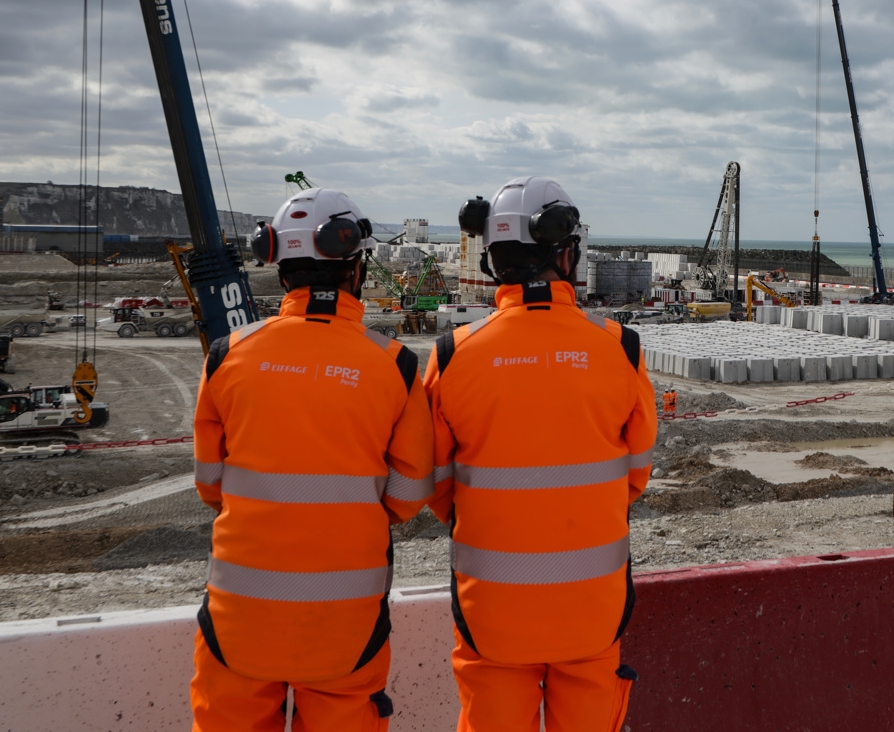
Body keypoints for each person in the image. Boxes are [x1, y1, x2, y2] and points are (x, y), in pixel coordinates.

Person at [190, 187, 439, 732]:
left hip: (240, 610)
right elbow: (409, 495)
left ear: (280, 268)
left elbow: (210, 483)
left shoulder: (227, 354)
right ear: (355, 267)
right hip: (345, 617)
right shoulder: (394, 364)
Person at [424, 176, 657, 732]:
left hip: (493, 614)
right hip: (591, 610)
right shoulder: (619, 348)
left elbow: (434, 487)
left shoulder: (453, 356)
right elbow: (635, 474)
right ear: (565, 251)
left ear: (492, 257)